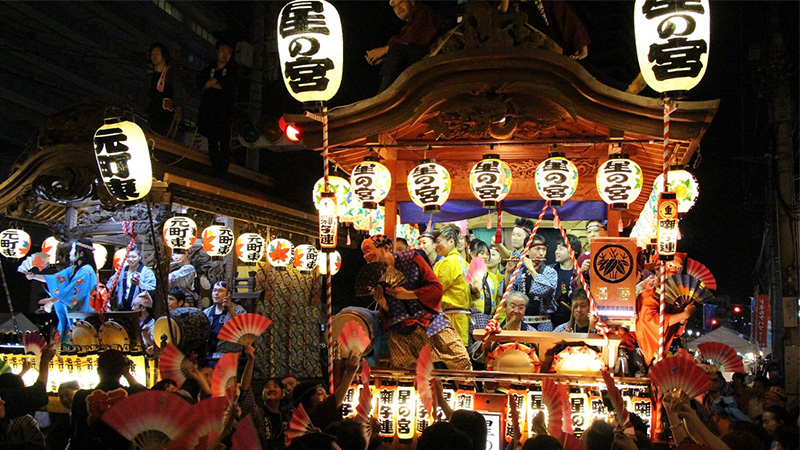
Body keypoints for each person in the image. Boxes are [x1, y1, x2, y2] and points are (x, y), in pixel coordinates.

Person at [360, 234, 470, 370]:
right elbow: (390, 313)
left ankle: (465, 390)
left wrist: (409, 294)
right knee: (404, 375)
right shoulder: (376, 276)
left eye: (368, 249)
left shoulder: (412, 258)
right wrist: (383, 303)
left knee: (460, 361)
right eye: (363, 252)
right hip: (401, 331)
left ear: (386, 248)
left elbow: (436, 288)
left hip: (430, 322)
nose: (366, 255)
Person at [69, 350, 146, 449]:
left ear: (98, 371)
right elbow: (145, 394)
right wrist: (127, 374)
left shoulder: (81, 397)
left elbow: (75, 435)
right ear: (122, 371)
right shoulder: (131, 394)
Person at [366, 0, 445, 93]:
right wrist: (386, 57)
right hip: (426, 58)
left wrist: (385, 50)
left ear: (411, 1)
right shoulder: (412, 21)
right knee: (395, 51)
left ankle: (382, 95)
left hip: (436, 58)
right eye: (394, 6)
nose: (398, 8)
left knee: (397, 49)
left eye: (400, 2)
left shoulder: (421, 10)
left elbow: (413, 37)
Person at [27, 238, 97, 338]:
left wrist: (52, 301)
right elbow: (56, 279)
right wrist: (34, 276)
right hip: (71, 315)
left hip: (81, 315)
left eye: (73, 250)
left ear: (81, 254)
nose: (71, 253)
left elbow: (72, 290)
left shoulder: (87, 270)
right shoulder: (74, 269)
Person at [633, 252, 694, 366]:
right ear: (658, 268)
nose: (674, 271)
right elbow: (651, 321)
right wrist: (683, 315)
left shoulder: (674, 294)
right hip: (646, 346)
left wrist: (682, 318)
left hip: (664, 347)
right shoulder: (649, 290)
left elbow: (676, 332)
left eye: (678, 268)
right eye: (670, 266)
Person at [197, 40, 239, 177]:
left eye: (228, 52)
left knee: (225, 143)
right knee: (212, 142)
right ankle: (215, 168)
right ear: (217, 52)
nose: (225, 55)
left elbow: (226, 86)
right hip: (209, 111)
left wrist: (213, 82)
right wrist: (215, 82)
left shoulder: (233, 71)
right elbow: (201, 84)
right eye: (223, 51)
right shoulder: (208, 69)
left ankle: (222, 171)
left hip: (225, 112)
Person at [291, 353, 360, 431]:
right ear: (307, 400)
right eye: (320, 393)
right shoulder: (316, 416)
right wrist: (349, 374)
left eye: (325, 393)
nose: (326, 396)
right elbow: (332, 402)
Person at [433, 224, 472, 346]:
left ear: (451, 241)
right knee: (459, 356)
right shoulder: (464, 262)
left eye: (439, 241)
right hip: (460, 318)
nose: (436, 245)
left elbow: (435, 289)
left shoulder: (448, 262)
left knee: (448, 358)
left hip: (450, 317)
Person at [509, 234, 557, 328]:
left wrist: (532, 269)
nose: (541, 253)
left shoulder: (550, 272)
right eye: (537, 249)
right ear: (527, 251)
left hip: (544, 322)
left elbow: (546, 290)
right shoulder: (520, 272)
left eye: (544, 249)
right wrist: (508, 272)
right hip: (522, 321)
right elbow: (508, 294)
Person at [146, 42, 183, 137]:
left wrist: (179, 108)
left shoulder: (171, 73)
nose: (154, 56)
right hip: (153, 113)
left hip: (167, 114)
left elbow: (178, 91)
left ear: (164, 56)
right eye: (152, 54)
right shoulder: (151, 76)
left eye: (157, 53)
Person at [106, 245, 156, 312]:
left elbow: (152, 288)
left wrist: (139, 284)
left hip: (140, 310)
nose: (130, 259)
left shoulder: (147, 272)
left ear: (139, 257)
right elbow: (109, 285)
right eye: (128, 257)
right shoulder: (121, 271)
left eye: (134, 257)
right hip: (121, 309)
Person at [203, 281, 246, 356]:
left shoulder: (238, 310)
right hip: (209, 353)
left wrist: (230, 309)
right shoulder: (207, 312)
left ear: (228, 294)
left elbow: (244, 328)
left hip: (229, 354)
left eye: (220, 291)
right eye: (214, 290)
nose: (216, 293)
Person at [550, 233, 581, 327]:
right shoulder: (550, 270)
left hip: (572, 321)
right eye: (556, 248)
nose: (556, 252)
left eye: (561, 248)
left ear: (573, 251)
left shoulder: (579, 273)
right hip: (549, 320)